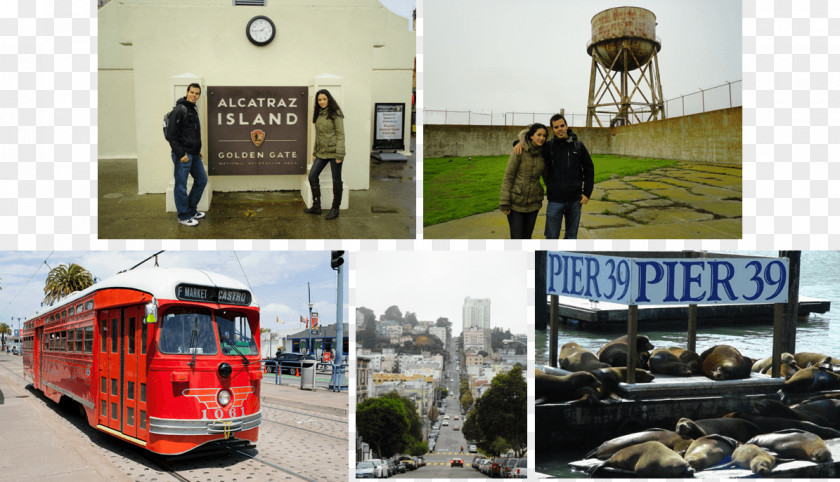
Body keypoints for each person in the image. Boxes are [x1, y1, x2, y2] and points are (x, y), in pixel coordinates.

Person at [517, 114, 594, 238]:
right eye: (556, 127)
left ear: (567, 126)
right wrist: (519, 143)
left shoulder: (578, 146)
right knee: (551, 237)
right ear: (552, 130)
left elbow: (589, 169)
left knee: (571, 236)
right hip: (555, 200)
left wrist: (587, 193)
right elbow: (533, 144)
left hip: (575, 200)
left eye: (562, 126)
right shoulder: (548, 147)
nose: (560, 129)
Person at [166, 83, 207, 227]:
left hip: (194, 154)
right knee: (181, 186)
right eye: (192, 92)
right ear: (187, 92)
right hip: (183, 155)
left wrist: (197, 150)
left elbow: (190, 134)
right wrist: (180, 153)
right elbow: (171, 135)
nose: (194, 95)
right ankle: (183, 216)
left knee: (202, 180)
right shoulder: (179, 110)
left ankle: (190, 210)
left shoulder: (192, 109)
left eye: (197, 93)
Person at [499, 123, 547, 239]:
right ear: (531, 136)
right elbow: (508, 176)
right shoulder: (519, 151)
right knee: (517, 238)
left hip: (533, 204)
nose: (541, 138)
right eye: (538, 135)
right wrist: (505, 202)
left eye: (544, 136)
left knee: (527, 237)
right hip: (516, 203)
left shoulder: (544, 153)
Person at [304, 89, 346, 220]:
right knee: (312, 176)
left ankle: (335, 209)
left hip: (334, 153)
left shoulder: (335, 113)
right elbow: (318, 136)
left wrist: (339, 154)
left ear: (329, 99)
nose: (322, 102)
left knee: (336, 180)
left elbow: (340, 135)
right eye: (319, 100)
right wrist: (315, 152)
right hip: (321, 152)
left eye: (324, 99)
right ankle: (317, 206)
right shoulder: (318, 114)